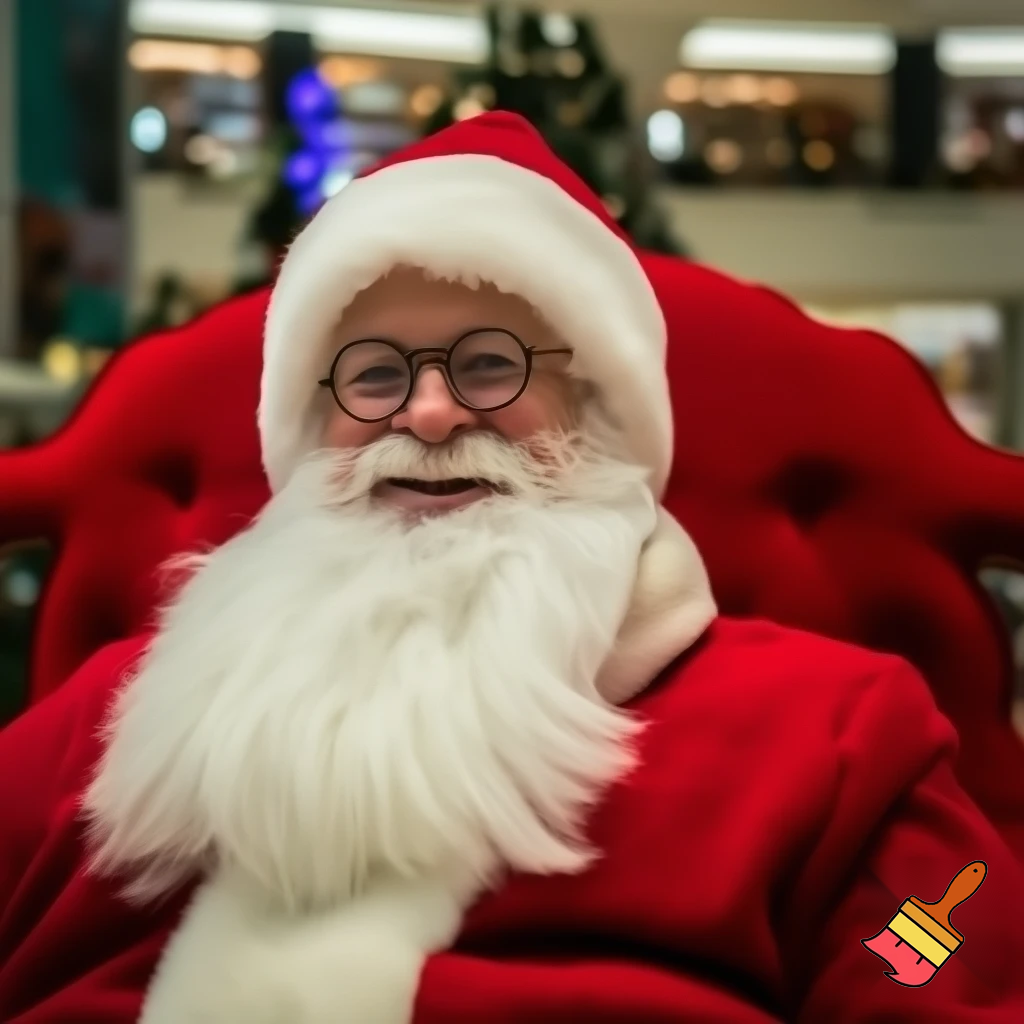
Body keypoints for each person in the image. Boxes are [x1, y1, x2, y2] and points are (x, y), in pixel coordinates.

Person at [2, 111, 1024, 1023]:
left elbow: (933, 950)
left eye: (490, 362)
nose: (431, 412)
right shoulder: (116, 710)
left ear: (601, 417)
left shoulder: (836, 730)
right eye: (375, 375)